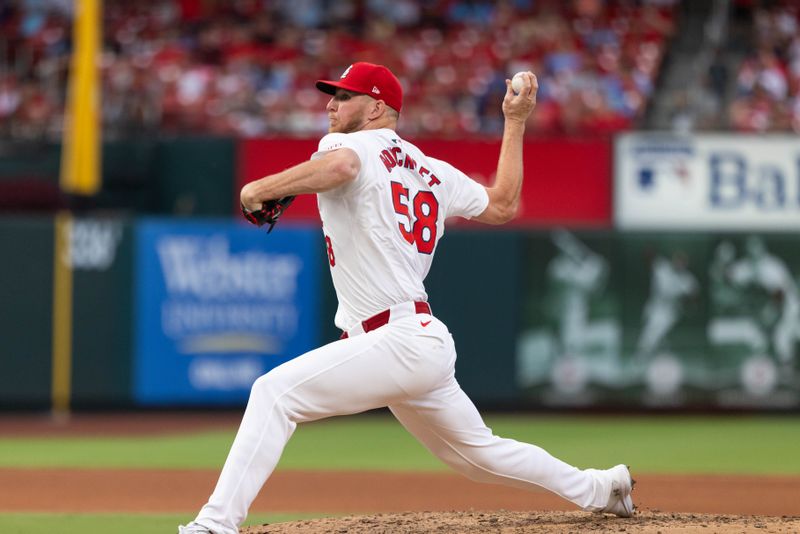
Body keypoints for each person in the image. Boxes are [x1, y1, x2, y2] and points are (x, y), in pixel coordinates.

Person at [179, 62, 634, 534]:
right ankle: (600, 487)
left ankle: (214, 524)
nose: (331, 106)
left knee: (272, 393)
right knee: (477, 456)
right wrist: (515, 122)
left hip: (395, 337)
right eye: (332, 96)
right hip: (417, 340)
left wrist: (258, 188)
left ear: (376, 107)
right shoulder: (432, 171)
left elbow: (341, 166)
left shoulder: (346, 144)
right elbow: (502, 205)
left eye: (344, 97)